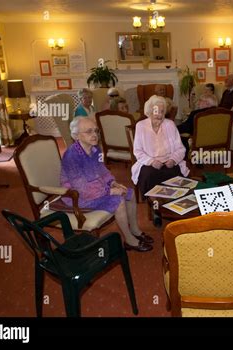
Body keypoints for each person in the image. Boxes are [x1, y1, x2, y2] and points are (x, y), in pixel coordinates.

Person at [61, 118, 153, 252]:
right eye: (88, 132)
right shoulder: (71, 156)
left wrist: (113, 182)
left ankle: (135, 230)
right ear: (76, 136)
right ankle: (129, 240)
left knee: (130, 193)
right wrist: (109, 191)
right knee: (118, 200)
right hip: (77, 196)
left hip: (96, 188)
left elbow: (102, 170)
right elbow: (82, 189)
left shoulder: (95, 149)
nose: (94, 135)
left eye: (96, 131)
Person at [132, 95, 189, 198]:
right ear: (149, 111)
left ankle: (173, 203)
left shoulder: (170, 124)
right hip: (148, 163)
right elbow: (138, 151)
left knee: (175, 173)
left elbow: (180, 148)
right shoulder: (141, 126)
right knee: (149, 175)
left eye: (162, 111)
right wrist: (152, 162)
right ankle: (154, 206)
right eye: (156, 111)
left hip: (169, 162)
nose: (159, 115)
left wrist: (173, 159)